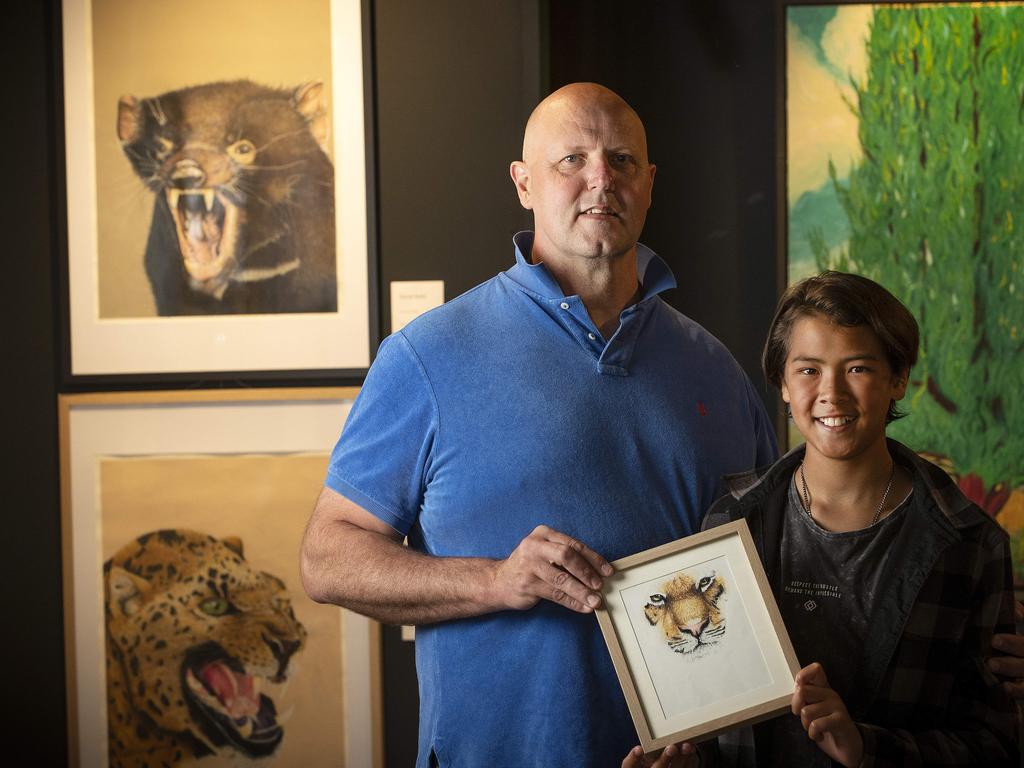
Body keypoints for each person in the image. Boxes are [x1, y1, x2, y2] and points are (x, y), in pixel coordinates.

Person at [299, 82, 778, 767]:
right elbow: (326, 560)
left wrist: (709, 737)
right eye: (571, 161)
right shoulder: (428, 356)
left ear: (648, 184)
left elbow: (767, 571)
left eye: (620, 161)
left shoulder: (717, 372)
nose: (599, 180)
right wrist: (496, 581)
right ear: (523, 184)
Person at [624, 272, 1018, 767]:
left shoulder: (970, 544)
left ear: (898, 379)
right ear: (783, 385)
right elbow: (713, 715)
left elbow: (998, 747)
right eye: (808, 370)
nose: (832, 392)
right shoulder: (730, 522)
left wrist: (865, 747)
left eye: (857, 368)